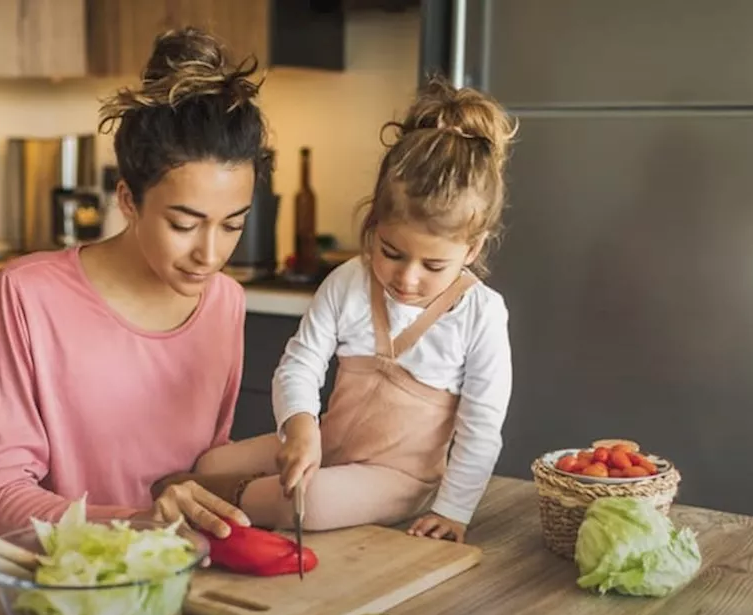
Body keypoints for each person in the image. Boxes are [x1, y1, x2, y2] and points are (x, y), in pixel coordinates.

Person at [0, 27, 273, 578]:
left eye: (233, 225)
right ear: (128, 199)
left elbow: (204, 469)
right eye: (184, 223)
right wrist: (135, 522)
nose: (209, 253)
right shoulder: (28, 295)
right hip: (46, 591)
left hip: (167, 583)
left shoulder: (226, 302)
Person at [187, 76, 516, 543]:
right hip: (327, 446)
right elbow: (300, 364)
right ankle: (212, 489)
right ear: (373, 223)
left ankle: (207, 500)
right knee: (212, 462)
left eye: (433, 265)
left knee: (310, 499)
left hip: (400, 480)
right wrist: (301, 428)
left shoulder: (480, 314)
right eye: (392, 252)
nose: (407, 277)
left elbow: (482, 426)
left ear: (472, 248)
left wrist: (454, 509)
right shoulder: (349, 281)